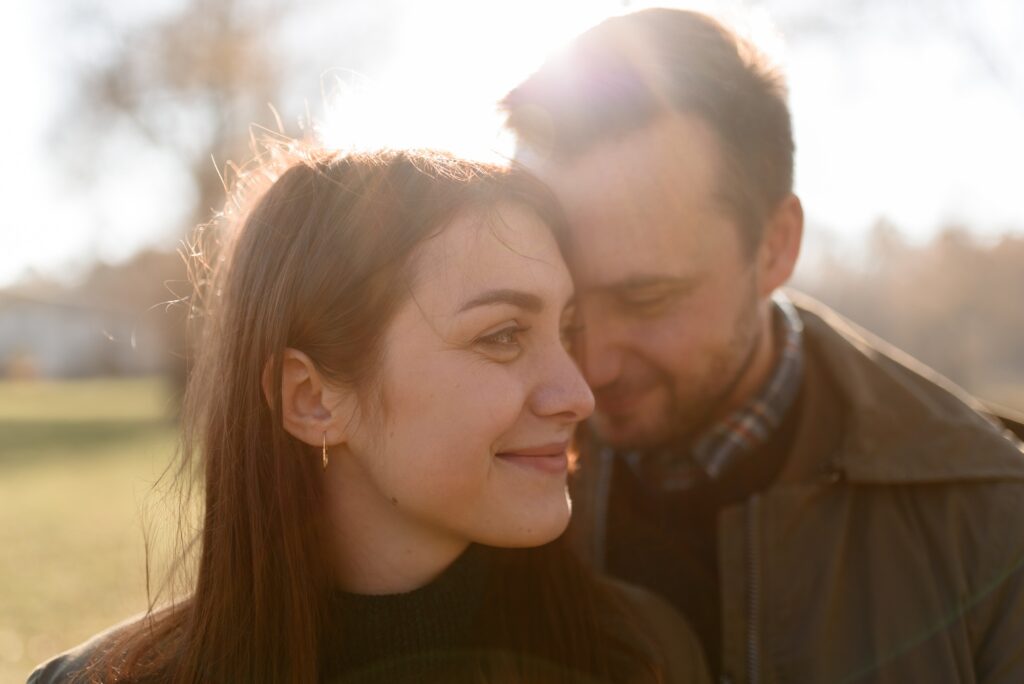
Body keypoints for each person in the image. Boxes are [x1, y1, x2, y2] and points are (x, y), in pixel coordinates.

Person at [28, 146, 711, 683]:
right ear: (312, 399)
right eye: (502, 335)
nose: (578, 394)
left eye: (566, 330)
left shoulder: (645, 659)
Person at [502, 8, 1024, 684]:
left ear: (776, 245)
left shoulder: (991, 527)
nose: (591, 366)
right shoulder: (478, 478)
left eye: (648, 300)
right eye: (566, 306)